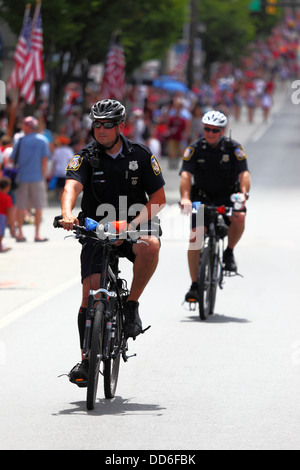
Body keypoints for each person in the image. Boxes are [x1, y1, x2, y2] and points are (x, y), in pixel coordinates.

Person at [59, 99, 166, 384]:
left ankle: (131, 306)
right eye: (96, 124)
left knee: (151, 247)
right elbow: (71, 186)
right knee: (89, 295)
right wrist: (68, 213)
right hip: (96, 227)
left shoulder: (141, 155)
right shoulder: (86, 156)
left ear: (120, 126)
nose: (101, 129)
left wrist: (131, 225)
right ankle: (85, 360)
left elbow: (158, 199)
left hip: (134, 223)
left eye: (107, 124)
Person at [179, 110, 250, 302]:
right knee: (195, 238)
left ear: (223, 130)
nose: (210, 133)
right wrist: (185, 198)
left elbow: (244, 174)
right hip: (201, 198)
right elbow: (185, 175)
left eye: (215, 130)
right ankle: (194, 284)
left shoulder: (234, 149)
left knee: (240, 217)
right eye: (207, 129)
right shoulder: (194, 149)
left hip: (227, 197)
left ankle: (229, 252)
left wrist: (243, 194)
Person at [10, 116, 51, 242]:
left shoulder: (20, 141)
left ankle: (20, 233)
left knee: (21, 206)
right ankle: (37, 234)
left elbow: (12, 159)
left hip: (22, 177)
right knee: (38, 206)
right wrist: (43, 176)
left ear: (27, 127)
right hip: (37, 177)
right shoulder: (42, 140)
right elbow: (45, 160)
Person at [0, 176, 13, 253]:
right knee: (1, 233)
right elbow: (9, 209)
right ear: (8, 187)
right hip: (3, 217)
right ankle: (0, 246)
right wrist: (10, 219)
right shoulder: (7, 197)